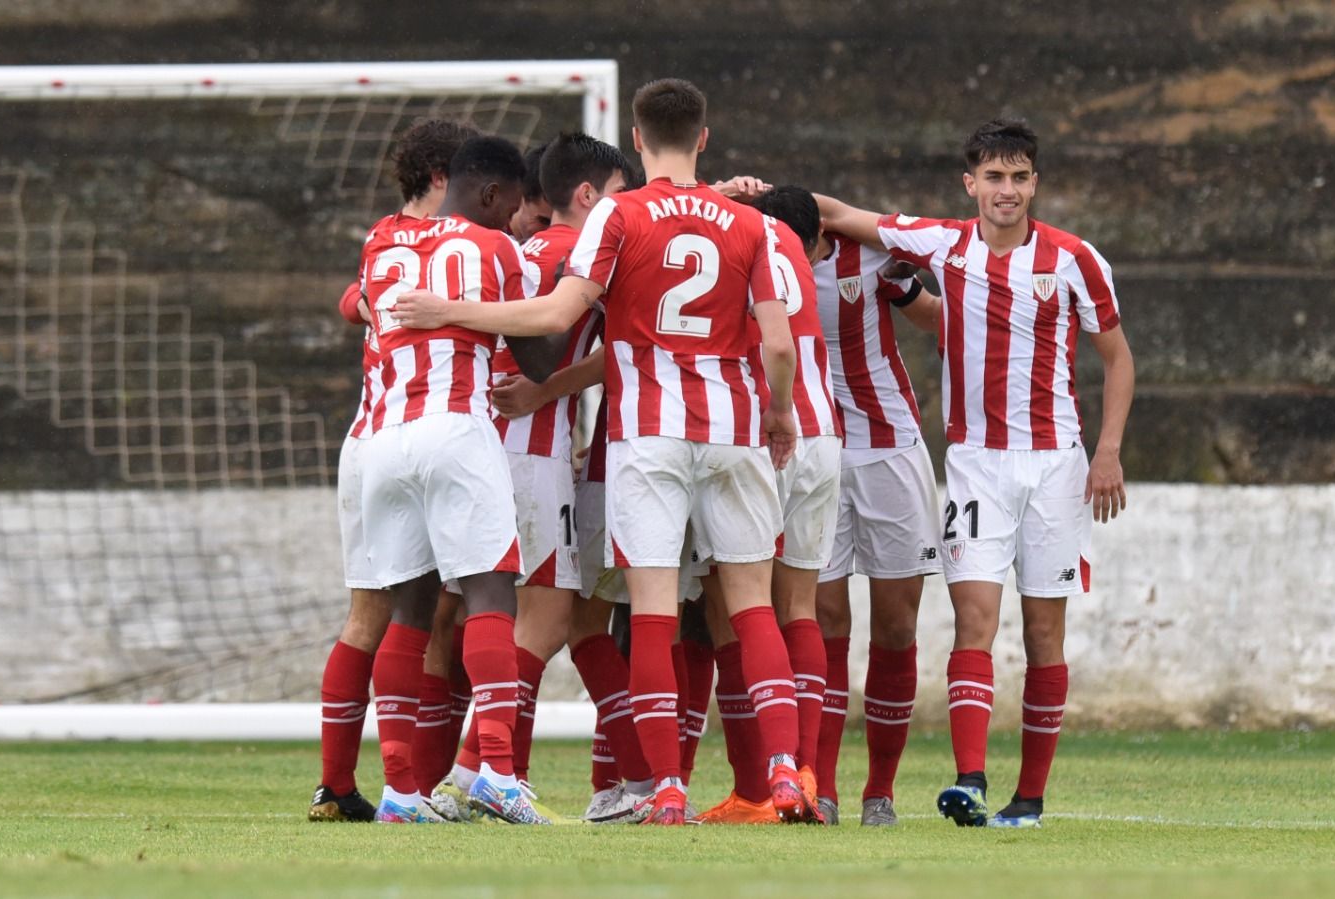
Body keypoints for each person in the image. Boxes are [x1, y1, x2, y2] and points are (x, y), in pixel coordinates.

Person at [390, 78, 819, 826]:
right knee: (753, 606)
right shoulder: (743, 221)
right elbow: (777, 342)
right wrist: (780, 413)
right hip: (733, 425)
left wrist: (447, 310)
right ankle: (788, 774)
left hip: (648, 432)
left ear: (638, 135)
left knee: (650, 610)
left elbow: (558, 313)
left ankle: (667, 789)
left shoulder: (619, 213)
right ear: (706, 138)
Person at [818, 118, 1134, 829]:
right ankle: (970, 779)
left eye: (1020, 177)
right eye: (993, 177)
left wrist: (1108, 448)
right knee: (974, 620)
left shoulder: (1076, 258)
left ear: (1035, 184)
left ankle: (1030, 797)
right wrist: (744, 193)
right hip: (976, 464)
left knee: (1045, 631)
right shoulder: (943, 243)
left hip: (1057, 464)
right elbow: (834, 214)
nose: (1007, 190)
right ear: (971, 184)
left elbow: (1118, 358)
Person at [356, 134, 555, 825]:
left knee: (407, 612)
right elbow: (538, 357)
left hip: (383, 437)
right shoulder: (498, 249)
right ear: (493, 195)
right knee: (491, 591)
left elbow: (358, 307)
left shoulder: (381, 243)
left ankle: (400, 792)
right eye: (512, 206)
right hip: (456, 430)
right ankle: (498, 771)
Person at [440, 132, 634, 814]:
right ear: (587, 195)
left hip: (494, 446)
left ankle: (611, 784)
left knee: (548, 621)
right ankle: (471, 774)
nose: (627, 208)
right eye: (619, 195)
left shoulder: (525, 249)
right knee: (545, 625)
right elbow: (632, 346)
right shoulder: (584, 254)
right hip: (531, 453)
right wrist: (552, 395)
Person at [310, 118, 476, 823]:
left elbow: (354, 298)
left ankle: (339, 783)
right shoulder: (467, 246)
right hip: (435, 435)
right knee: (437, 607)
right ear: (442, 179)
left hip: (368, 440)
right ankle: (413, 785)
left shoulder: (380, 239)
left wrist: (359, 304)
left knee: (371, 613)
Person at [798, 182, 947, 827]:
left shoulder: (872, 257)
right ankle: (822, 787)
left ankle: (879, 791)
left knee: (895, 624)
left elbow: (936, 310)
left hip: (891, 451)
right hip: (815, 455)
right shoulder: (763, 265)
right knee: (826, 617)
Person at [696, 186, 841, 825]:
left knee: (735, 608)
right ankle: (803, 775)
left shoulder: (738, 240)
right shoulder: (799, 255)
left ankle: (757, 787)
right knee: (799, 606)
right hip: (823, 433)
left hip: (763, 429)